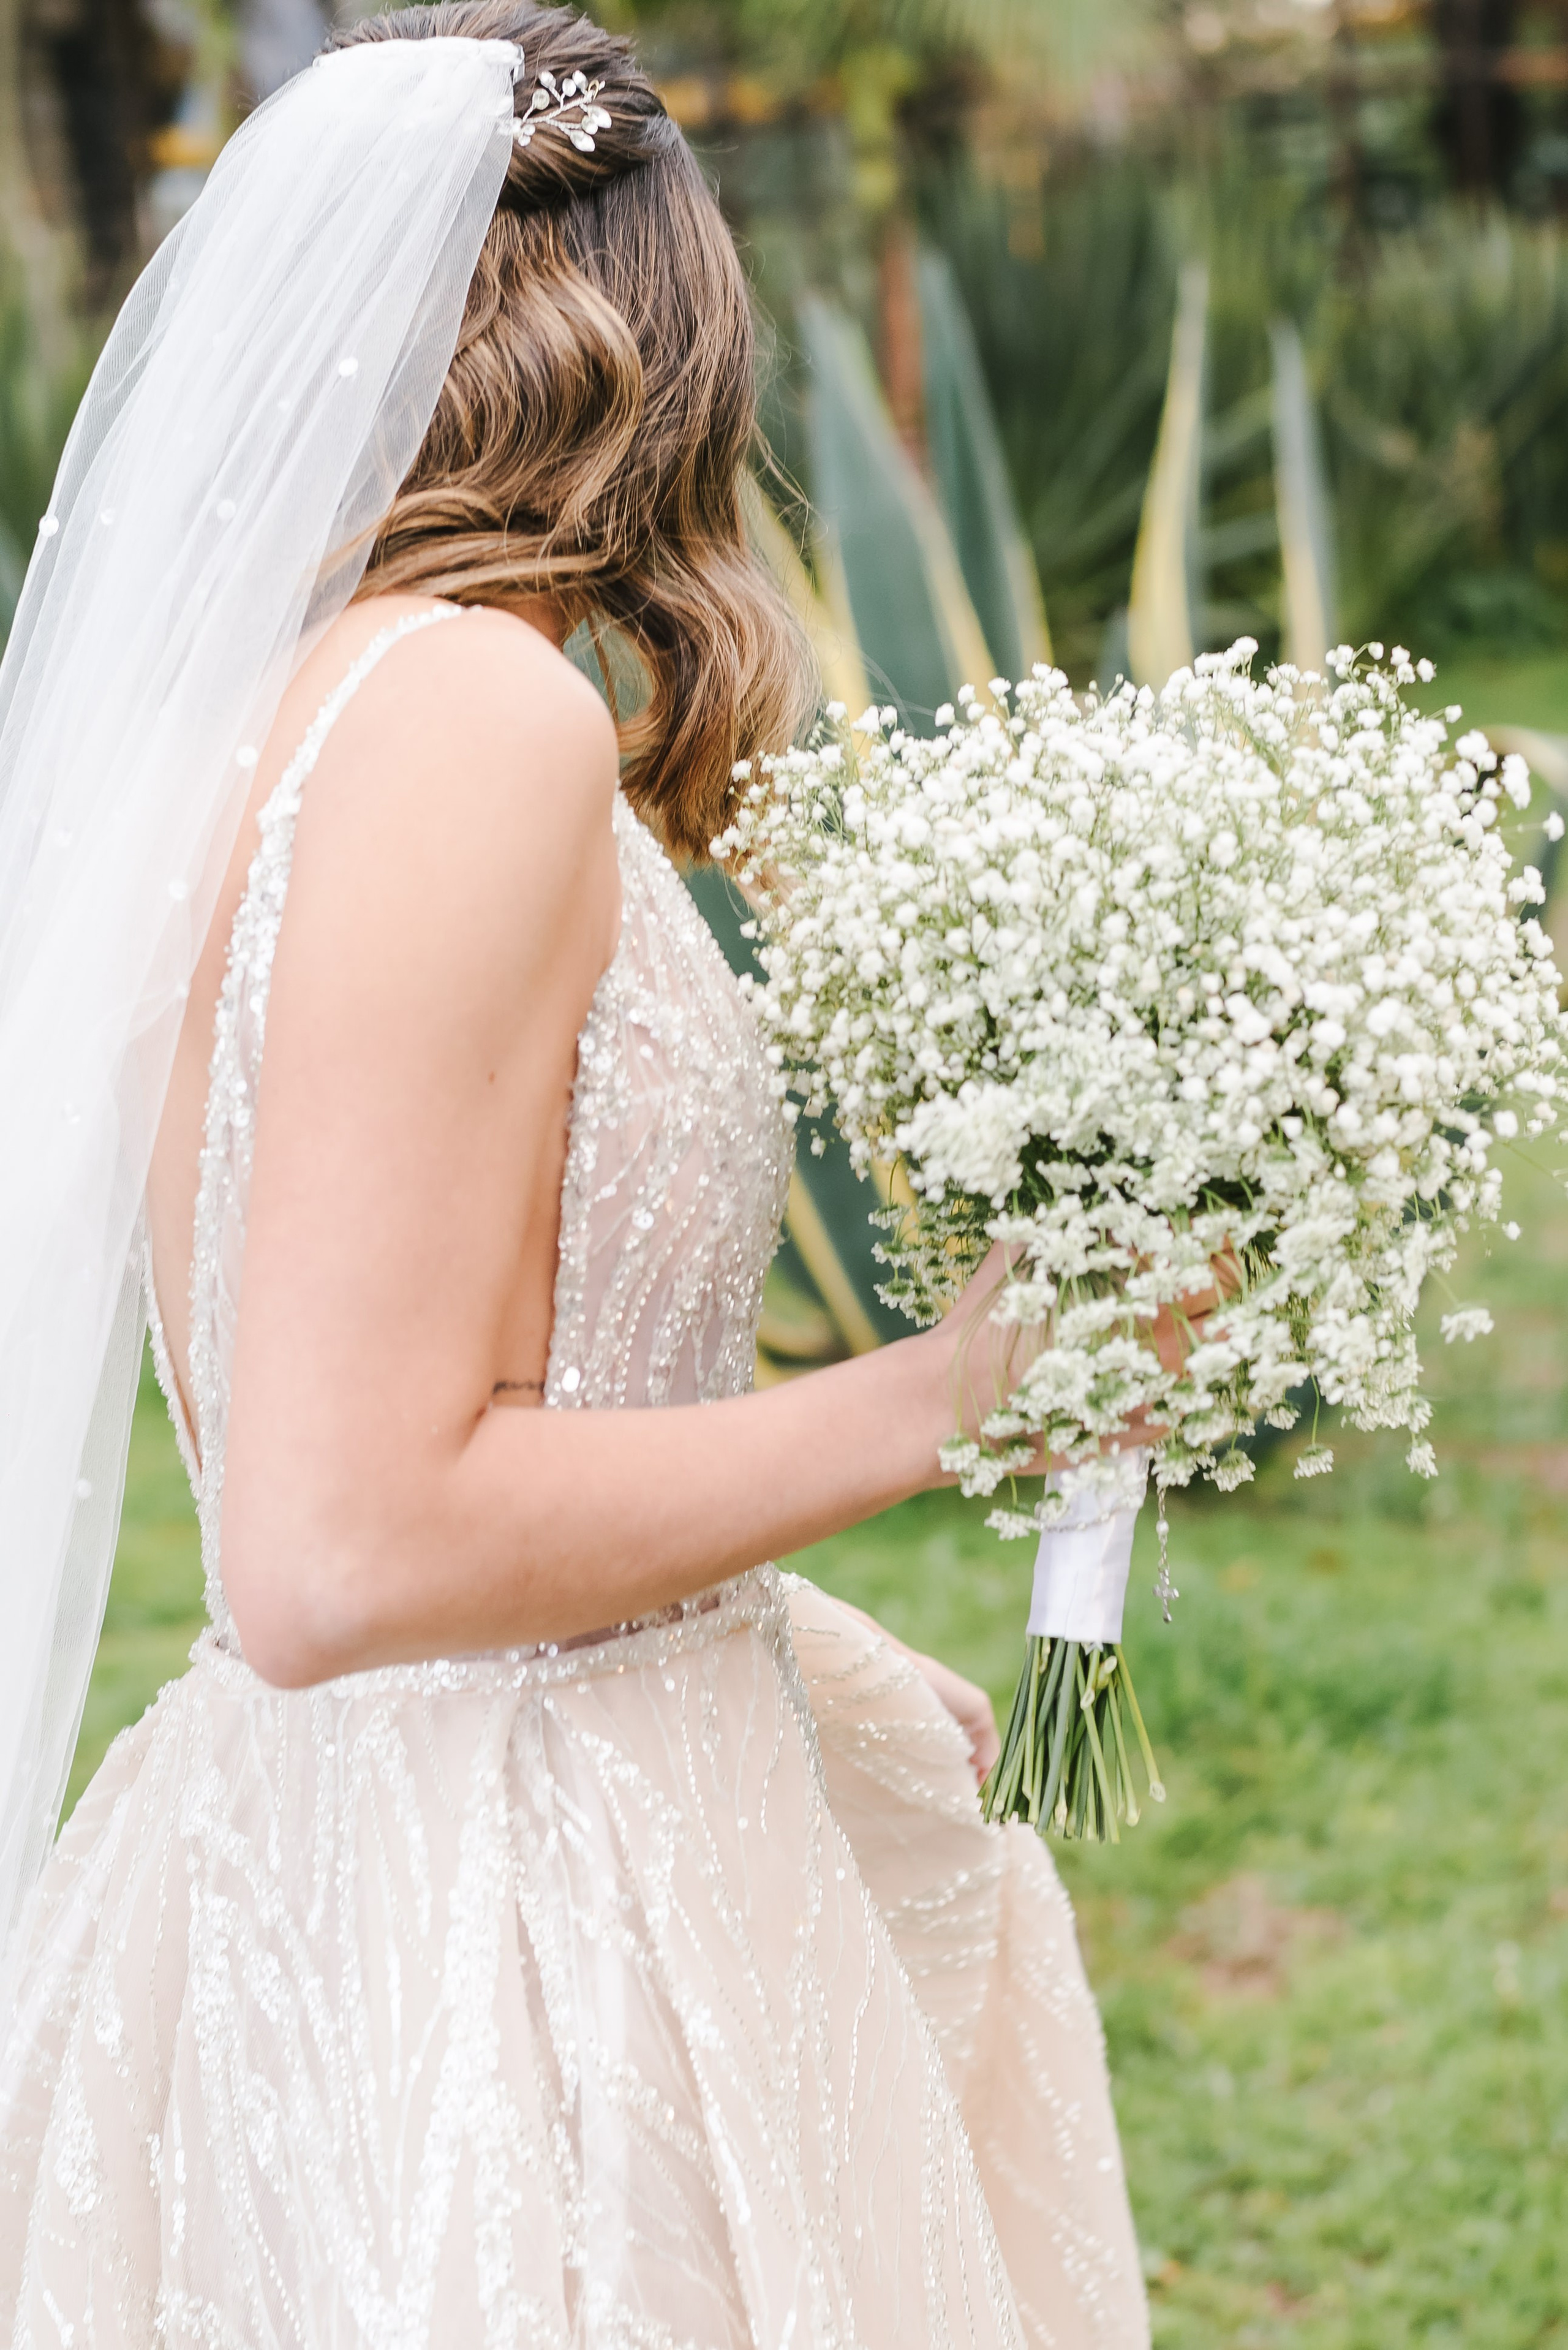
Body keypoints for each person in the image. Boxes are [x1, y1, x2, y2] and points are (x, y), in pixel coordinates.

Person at [0, 9, 1153, 2342]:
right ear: (670, 332)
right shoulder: (471, 721)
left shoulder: (286, 711)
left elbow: (426, 1348)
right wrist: (960, 1391)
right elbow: (336, 1543)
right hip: (501, 1959)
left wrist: (795, 1646)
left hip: (375, 1830)